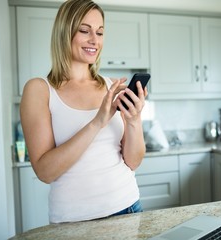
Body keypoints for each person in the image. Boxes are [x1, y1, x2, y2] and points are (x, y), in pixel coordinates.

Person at [20, 0, 147, 223]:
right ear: (64, 32)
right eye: (84, 30)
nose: (94, 41)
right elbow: (45, 172)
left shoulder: (110, 86)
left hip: (128, 208)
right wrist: (97, 122)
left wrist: (134, 120)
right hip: (74, 221)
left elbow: (134, 162)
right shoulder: (39, 90)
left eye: (99, 32)